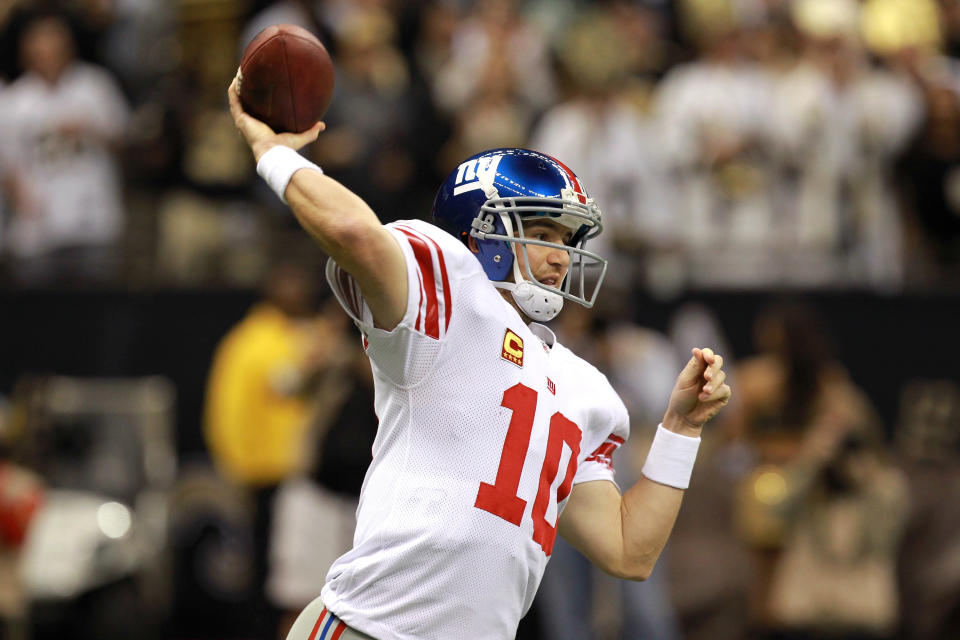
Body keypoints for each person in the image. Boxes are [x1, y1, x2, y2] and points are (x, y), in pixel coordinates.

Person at [227, 77, 732, 640]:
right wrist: (273, 155)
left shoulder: (584, 386)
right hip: (372, 628)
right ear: (482, 232)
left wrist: (680, 428)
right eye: (543, 232)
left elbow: (628, 550)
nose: (561, 257)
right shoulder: (445, 295)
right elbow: (354, 232)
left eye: (569, 239)